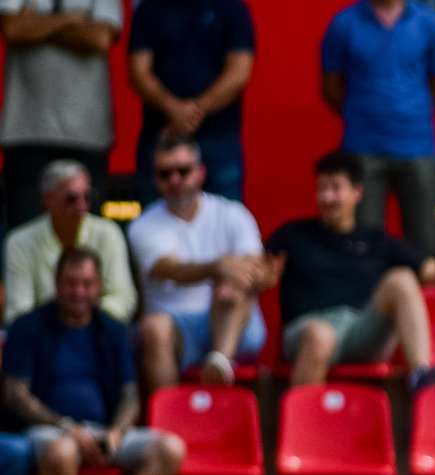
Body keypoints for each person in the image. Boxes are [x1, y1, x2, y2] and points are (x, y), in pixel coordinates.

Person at [264, 152, 435, 392]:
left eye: (335, 188)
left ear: (357, 193)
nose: (327, 197)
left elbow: (434, 270)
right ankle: (300, 425)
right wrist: (263, 276)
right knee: (321, 335)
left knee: (402, 278)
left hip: (359, 331)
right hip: (306, 330)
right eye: (321, 189)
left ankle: (421, 375)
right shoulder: (293, 234)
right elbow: (262, 270)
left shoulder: (377, 241)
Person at [3, 248, 185, 475]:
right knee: (62, 452)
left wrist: (116, 433)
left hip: (103, 433)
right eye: (71, 283)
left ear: (99, 287)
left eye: (87, 284)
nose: (79, 292)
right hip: (49, 430)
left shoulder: (113, 329)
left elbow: (130, 393)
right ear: (57, 284)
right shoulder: (28, 327)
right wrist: (66, 427)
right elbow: (15, 394)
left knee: (171, 449)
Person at [128, 134, 274, 390]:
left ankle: (220, 361)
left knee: (231, 285)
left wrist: (233, 272)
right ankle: (168, 423)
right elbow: (167, 268)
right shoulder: (143, 225)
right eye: (165, 174)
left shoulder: (233, 213)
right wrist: (217, 267)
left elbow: (252, 269)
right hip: (177, 332)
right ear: (155, 179)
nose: (175, 180)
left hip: (237, 326)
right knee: (153, 327)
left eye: (183, 171)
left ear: (201, 172)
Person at [322, 0, 435, 258]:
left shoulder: (428, 23)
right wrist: (365, 114)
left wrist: (409, 113)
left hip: (418, 146)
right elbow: (331, 87)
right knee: (363, 240)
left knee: (424, 241)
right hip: (363, 147)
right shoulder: (344, 23)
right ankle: (369, 299)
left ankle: (422, 298)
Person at [0, 0, 120, 234]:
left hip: (87, 131)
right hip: (25, 129)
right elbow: (13, 29)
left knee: (87, 235)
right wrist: (71, 20)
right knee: (25, 233)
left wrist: (37, 23)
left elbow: (100, 39)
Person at [127, 0, 256, 204]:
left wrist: (194, 110)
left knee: (225, 216)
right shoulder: (150, 9)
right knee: (155, 216)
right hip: (162, 134)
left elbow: (240, 71)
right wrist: (173, 108)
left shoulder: (232, 8)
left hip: (219, 136)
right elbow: (139, 71)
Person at [4, 161, 137, 325]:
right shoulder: (19, 242)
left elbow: (124, 299)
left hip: (98, 335)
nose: (82, 205)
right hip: (42, 343)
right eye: (71, 198)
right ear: (48, 199)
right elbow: (18, 311)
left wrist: (83, 321)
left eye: (87, 197)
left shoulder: (108, 233)